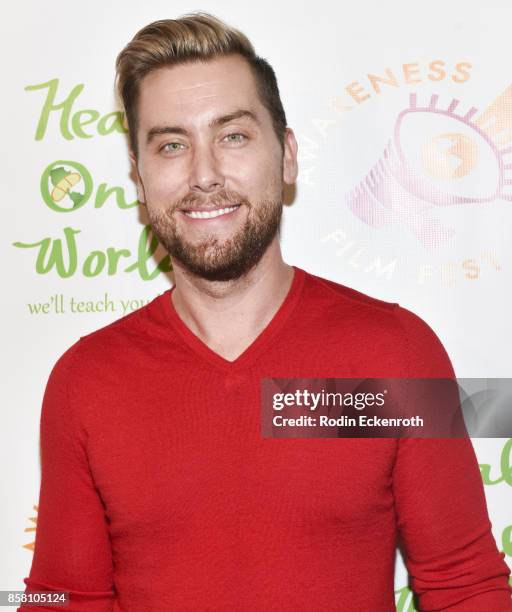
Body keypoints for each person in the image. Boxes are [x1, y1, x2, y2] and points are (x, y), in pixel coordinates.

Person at [19, 11, 512, 611]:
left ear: (287, 156)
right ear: (140, 182)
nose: (204, 175)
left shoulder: (397, 355)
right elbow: (62, 600)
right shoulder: (85, 380)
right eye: (171, 145)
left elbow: (466, 586)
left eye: (233, 135)